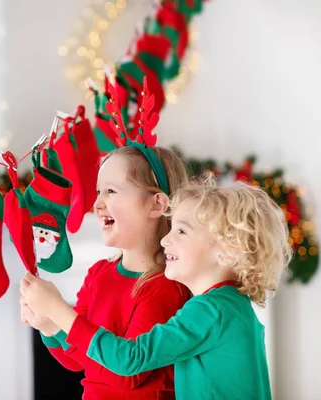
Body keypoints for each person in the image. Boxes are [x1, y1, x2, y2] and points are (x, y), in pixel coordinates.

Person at [21, 179, 291, 400]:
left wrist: (59, 310)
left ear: (225, 250)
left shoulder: (210, 310)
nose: (165, 239)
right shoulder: (230, 305)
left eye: (181, 232)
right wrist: (50, 324)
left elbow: (131, 359)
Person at [21, 143, 191, 399]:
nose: (97, 204)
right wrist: (49, 326)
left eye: (111, 191)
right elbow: (78, 360)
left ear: (156, 205)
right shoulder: (99, 273)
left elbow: (126, 376)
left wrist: (58, 310)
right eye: (99, 191)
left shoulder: (166, 285)